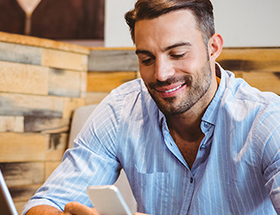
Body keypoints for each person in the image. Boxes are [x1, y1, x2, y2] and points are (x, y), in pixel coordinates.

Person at [23, 0, 280, 214]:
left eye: (177, 54)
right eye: (147, 59)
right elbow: (43, 204)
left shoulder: (266, 120)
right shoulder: (122, 109)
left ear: (213, 48)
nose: (161, 74)